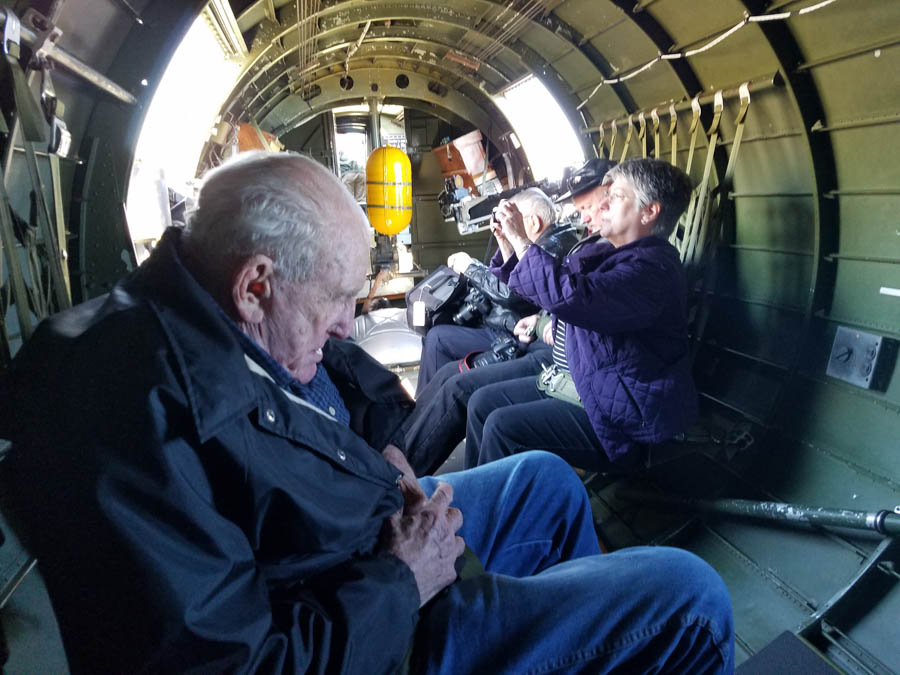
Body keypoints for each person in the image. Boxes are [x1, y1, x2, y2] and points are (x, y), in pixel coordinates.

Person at [1, 151, 732, 673]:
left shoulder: (200, 308)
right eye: (339, 299)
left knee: (541, 478)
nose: (349, 324)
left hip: (352, 540)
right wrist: (402, 577)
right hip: (378, 621)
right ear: (258, 283)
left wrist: (386, 449)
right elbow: (233, 658)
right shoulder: (130, 417)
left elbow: (339, 378)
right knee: (688, 594)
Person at [464, 157, 699, 471]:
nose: (601, 207)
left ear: (649, 211)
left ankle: (496, 515)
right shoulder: (606, 252)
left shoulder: (653, 270)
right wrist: (509, 244)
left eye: (614, 199)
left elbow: (574, 296)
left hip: (626, 413)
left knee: (502, 428)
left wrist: (522, 239)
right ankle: (469, 501)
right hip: (583, 382)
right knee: (481, 405)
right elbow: (547, 289)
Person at [415, 187, 561, 395]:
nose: (510, 227)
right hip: (507, 324)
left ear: (533, 223)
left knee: (438, 339)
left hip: (516, 334)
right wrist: (504, 243)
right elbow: (510, 281)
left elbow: (513, 296)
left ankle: (421, 413)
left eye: (515, 220)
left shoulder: (551, 248)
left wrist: (469, 267)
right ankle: (423, 411)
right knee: (438, 336)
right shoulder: (543, 244)